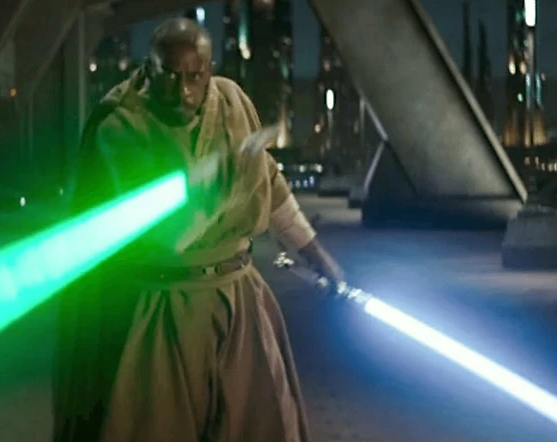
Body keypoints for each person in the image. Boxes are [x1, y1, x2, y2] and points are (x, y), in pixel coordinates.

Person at [53, 17, 347, 442]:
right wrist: (226, 174)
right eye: (169, 76)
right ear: (148, 70)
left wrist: (315, 253)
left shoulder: (232, 102)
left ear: (209, 70)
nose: (183, 92)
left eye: (195, 77)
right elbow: (171, 235)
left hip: (238, 297)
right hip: (163, 305)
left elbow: (269, 183)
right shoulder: (121, 125)